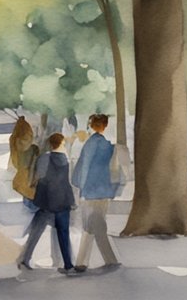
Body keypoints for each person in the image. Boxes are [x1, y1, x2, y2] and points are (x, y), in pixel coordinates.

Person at [18, 133, 77, 274]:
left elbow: (39, 176)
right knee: (63, 233)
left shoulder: (45, 158)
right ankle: (67, 264)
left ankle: (25, 259)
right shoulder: (65, 160)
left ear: (50, 144)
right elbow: (67, 182)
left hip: (48, 201)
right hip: (63, 200)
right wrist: (72, 201)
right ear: (62, 143)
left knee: (36, 230)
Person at [72, 114, 121, 272]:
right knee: (97, 225)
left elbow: (85, 167)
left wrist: (81, 188)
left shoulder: (90, 144)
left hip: (90, 190)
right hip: (104, 190)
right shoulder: (108, 146)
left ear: (92, 125)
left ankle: (82, 263)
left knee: (89, 226)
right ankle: (109, 259)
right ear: (104, 126)